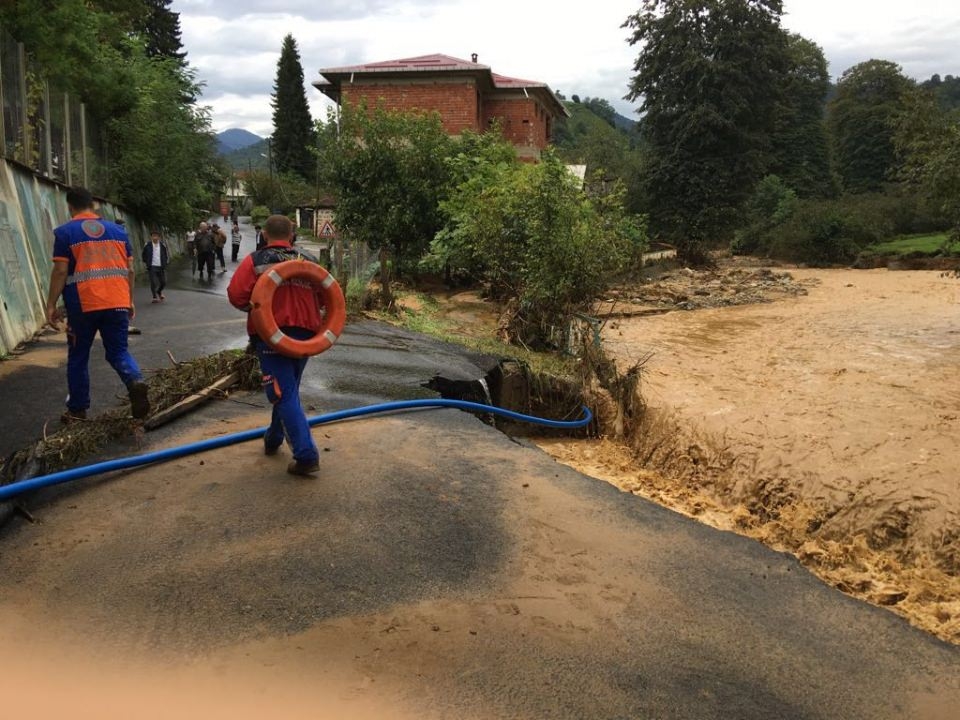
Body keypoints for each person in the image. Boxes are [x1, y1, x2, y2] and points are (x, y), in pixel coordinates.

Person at [227, 214, 325, 476]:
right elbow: (326, 294)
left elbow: (236, 295)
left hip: (272, 335)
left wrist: (255, 307)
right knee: (288, 389)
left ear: (264, 235)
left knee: (282, 392)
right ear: (292, 235)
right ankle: (273, 438)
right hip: (306, 335)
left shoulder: (257, 260)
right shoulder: (309, 260)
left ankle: (306, 455)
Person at [45, 186, 150, 423]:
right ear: (92, 205)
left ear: (70, 206)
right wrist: (129, 300)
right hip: (117, 302)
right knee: (118, 351)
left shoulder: (65, 233)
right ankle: (135, 381)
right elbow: (130, 270)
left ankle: (78, 410)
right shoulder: (119, 232)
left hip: (84, 306)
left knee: (79, 356)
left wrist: (51, 305)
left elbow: (60, 271)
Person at [141, 229, 169, 302]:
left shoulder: (162, 245)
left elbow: (165, 255)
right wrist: (147, 262)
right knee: (153, 282)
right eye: (153, 236)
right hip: (152, 266)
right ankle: (154, 297)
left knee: (163, 282)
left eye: (156, 236)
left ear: (159, 237)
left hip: (160, 266)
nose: (155, 237)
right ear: (151, 237)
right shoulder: (147, 245)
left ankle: (159, 291)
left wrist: (165, 263)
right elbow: (143, 254)